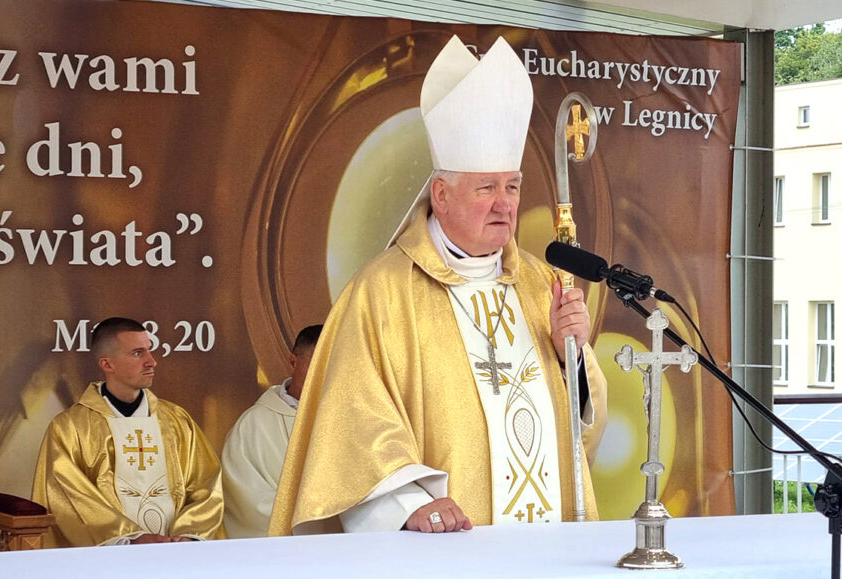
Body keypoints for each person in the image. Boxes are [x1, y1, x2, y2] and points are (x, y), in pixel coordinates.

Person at [269, 35, 607, 536]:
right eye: (486, 188)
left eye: (512, 187)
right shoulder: (383, 292)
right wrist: (408, 502)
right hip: (445, 543)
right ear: (441, 195)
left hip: (546, 542)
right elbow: (354, 418)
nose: (505, 204)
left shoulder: (542, 283)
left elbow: (585, 426)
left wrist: (568, 359)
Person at [32, 317, 224, 547]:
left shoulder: (177, 421)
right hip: (110, 556)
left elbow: (206, 484)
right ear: (107, 365)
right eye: (137, 353)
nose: (152, 362)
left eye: (150, 350)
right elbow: (68, 496)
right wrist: (128, 537)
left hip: (176, 553)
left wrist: (189, 533)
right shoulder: (70, 427)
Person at [220, 324, 322, 538]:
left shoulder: (356, 422)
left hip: (348, 550)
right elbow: (248, 504)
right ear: (293, 362)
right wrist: (316, 526)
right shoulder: (254, 426)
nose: (325, 374)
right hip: (287, 552)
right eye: (317, 364)